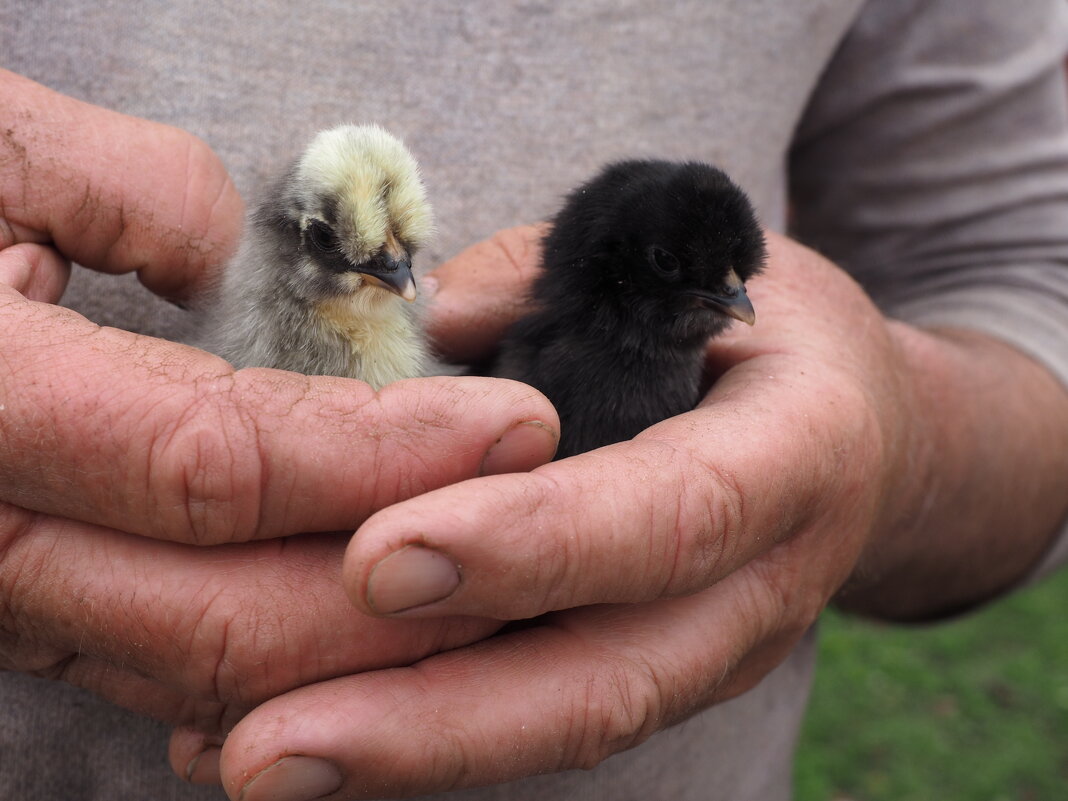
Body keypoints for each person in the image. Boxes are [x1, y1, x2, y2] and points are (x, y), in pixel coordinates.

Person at [2, 1, 1067, 800]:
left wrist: (895, 436)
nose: (737, 302)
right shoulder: (536, 358)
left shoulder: (572, 356)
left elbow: (1027, 268)